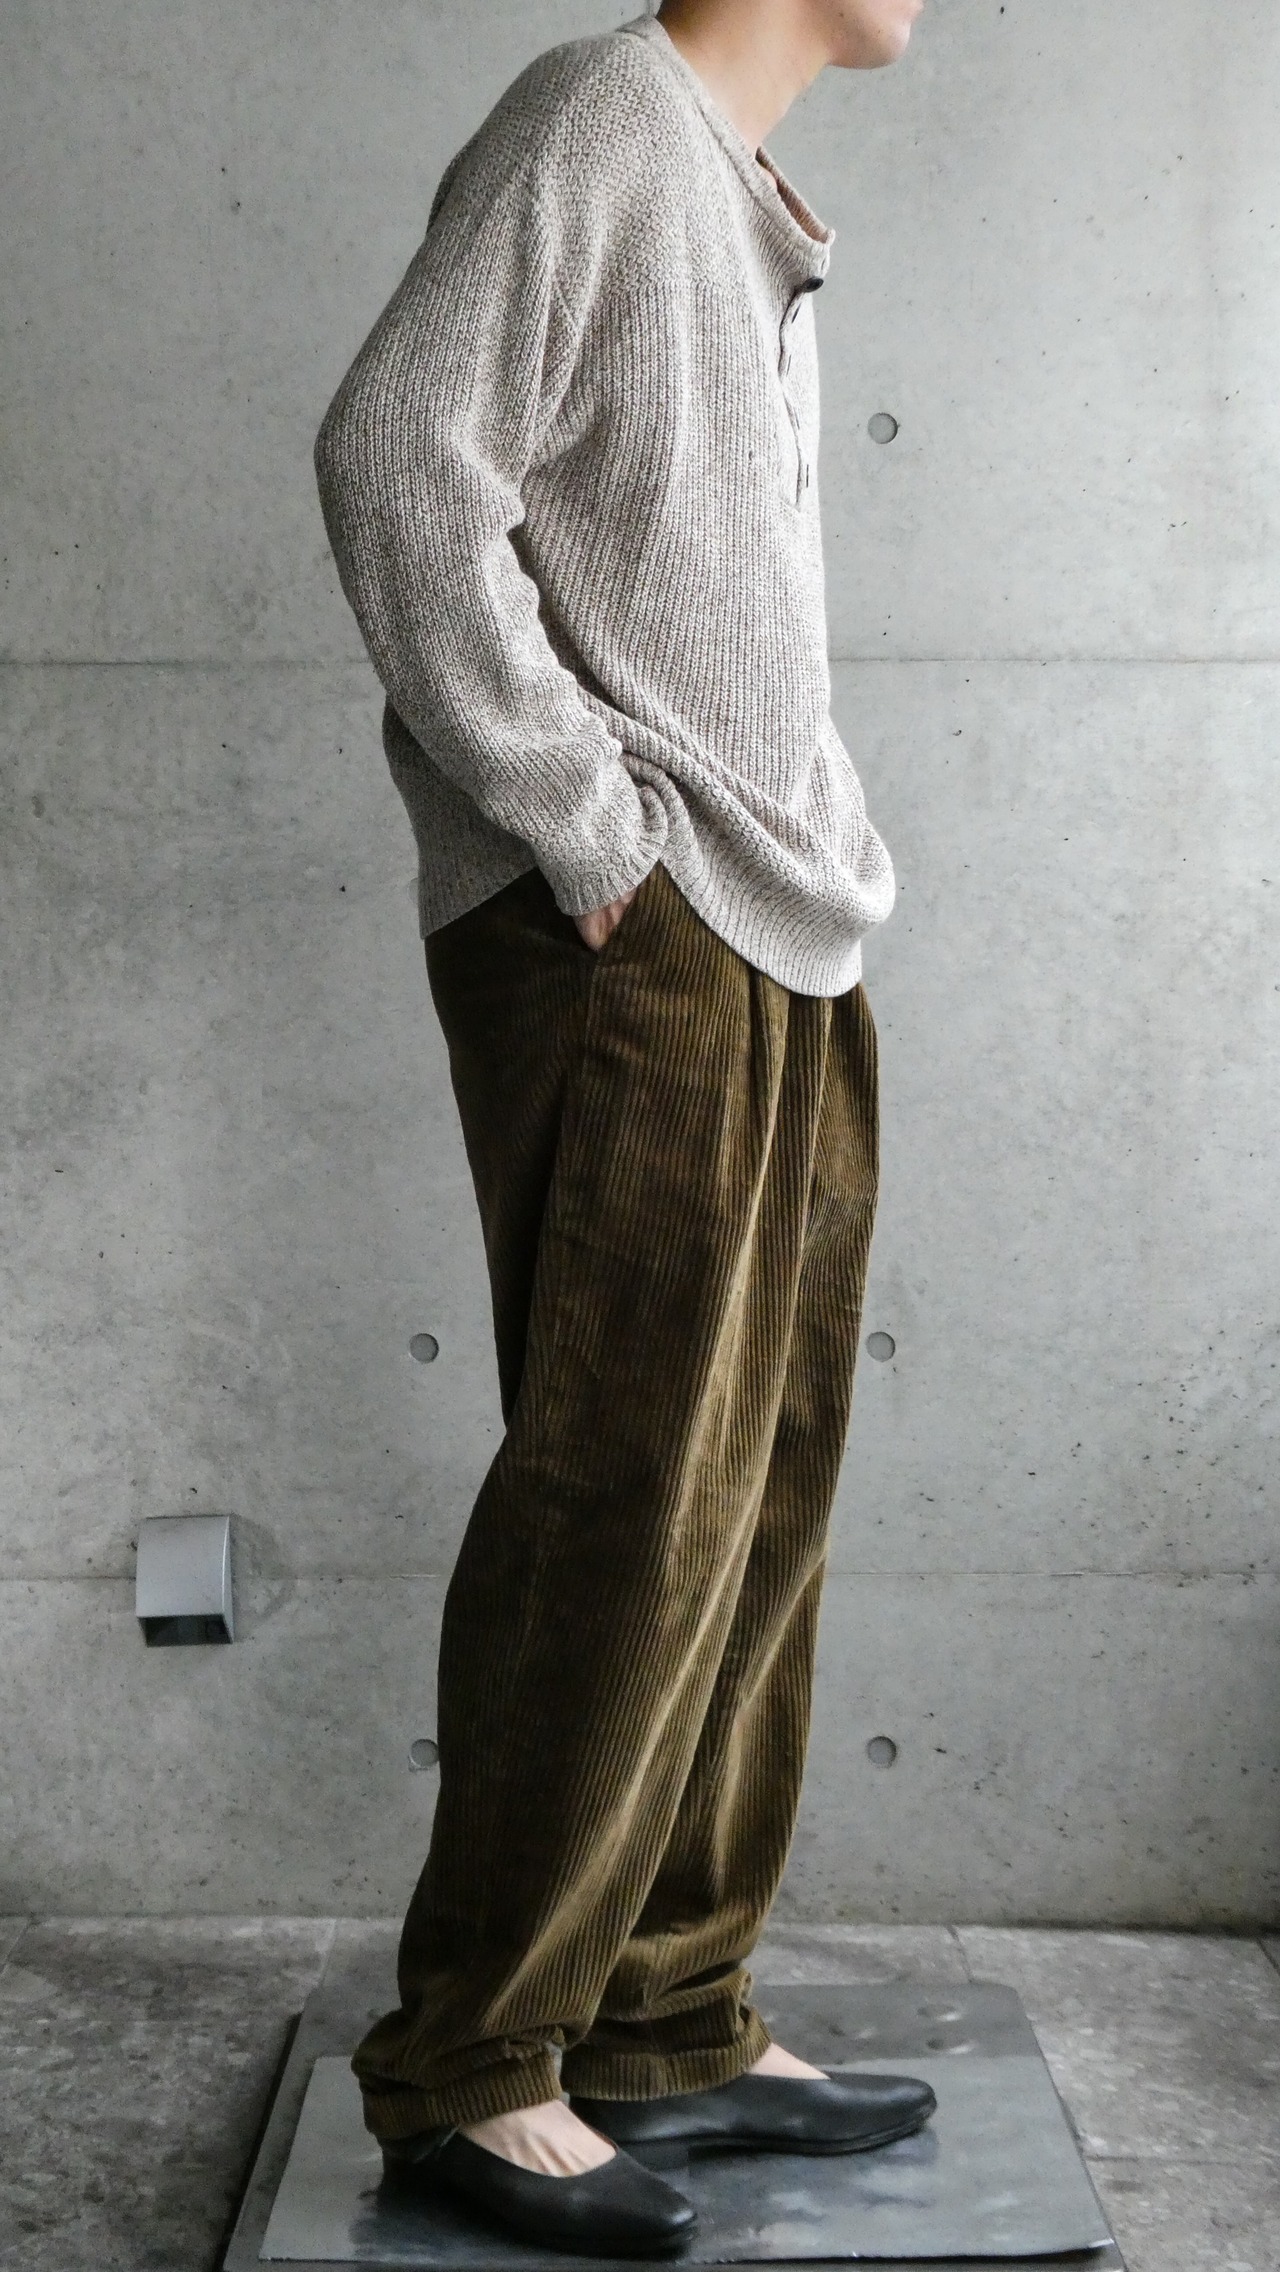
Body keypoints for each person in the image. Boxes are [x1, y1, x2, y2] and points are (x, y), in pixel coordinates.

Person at [315, 0, 931, 2254]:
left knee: (757, 1484)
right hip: (635, 929)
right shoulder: (601, 118)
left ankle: (664, 2005)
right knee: (626, 1485)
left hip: (782, 922)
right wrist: (586, 827)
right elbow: (398, 457)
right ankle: (477, 2060)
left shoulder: (724, 182)